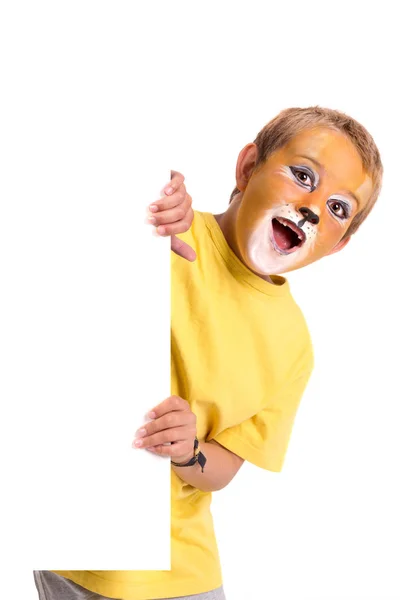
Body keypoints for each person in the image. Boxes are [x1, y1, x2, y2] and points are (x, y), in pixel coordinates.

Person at [34, 106, 383, 600]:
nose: (311, 208)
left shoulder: (293, 345)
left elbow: (224, 468)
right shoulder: (163, 230)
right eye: (303, 176)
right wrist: (138, 199)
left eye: (338, 209)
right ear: (246, 168)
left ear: (338, 245)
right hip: (74, 545)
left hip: (182, 572)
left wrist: (188, 449)